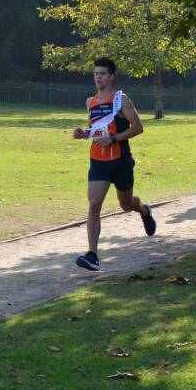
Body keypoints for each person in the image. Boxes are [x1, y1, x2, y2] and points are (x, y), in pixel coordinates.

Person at [72, 57, 156, 271]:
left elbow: (138, 127)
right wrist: (84, 134)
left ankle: (144, 211)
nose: (97, 77)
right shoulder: (90, 102)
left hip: (120, 161)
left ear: (111, 76)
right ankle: (93, 255)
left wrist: (114, 138)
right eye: (95, 73)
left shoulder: (121, 100)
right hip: (98, 161)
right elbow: (97, 129)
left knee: (126, 204)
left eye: (101, 73)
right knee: (94, 204)